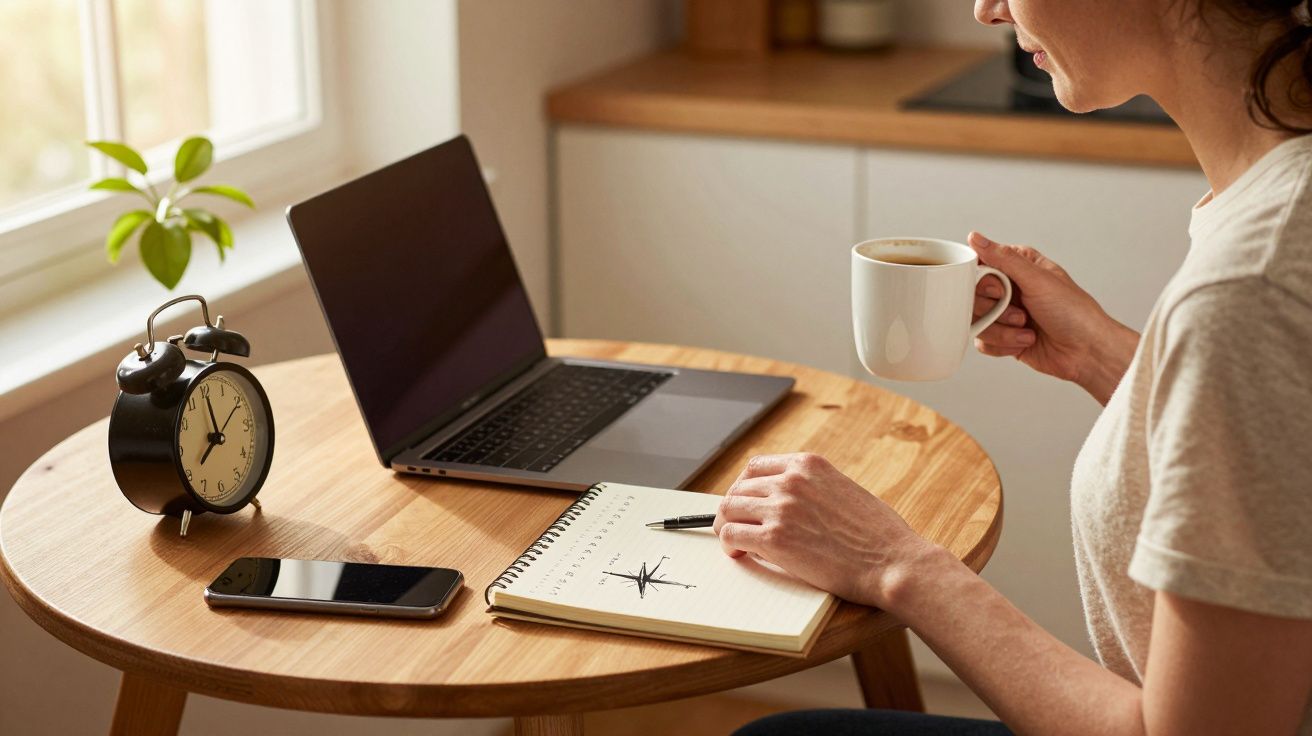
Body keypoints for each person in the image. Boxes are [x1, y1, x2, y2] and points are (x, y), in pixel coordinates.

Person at [726, 1, 1312, 734]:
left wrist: (895, 564)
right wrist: (1101, 354)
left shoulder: (1255, 283)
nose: (988, 10)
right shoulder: (1275, 210)